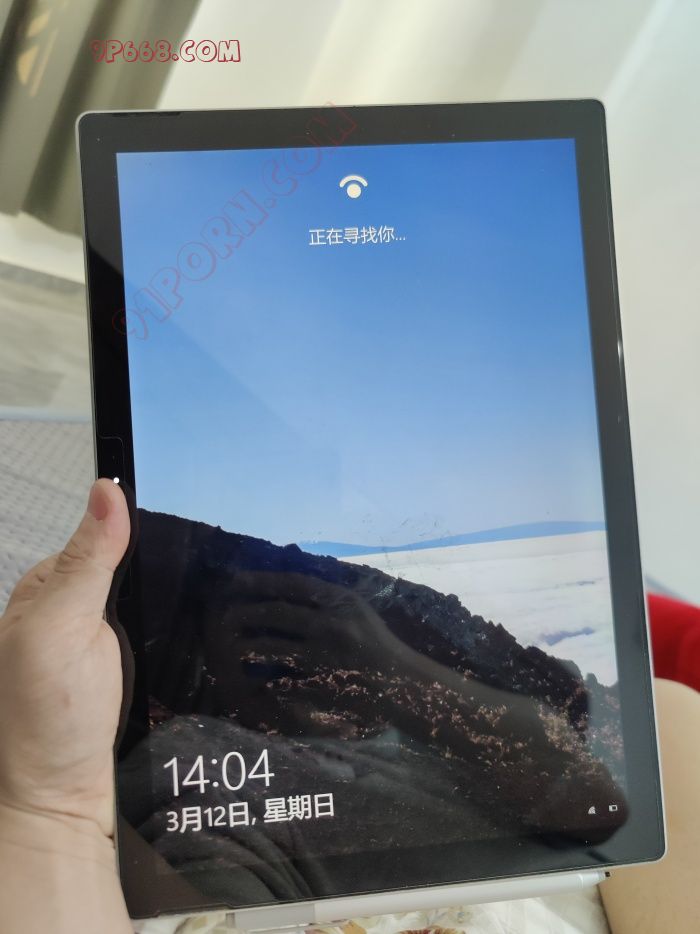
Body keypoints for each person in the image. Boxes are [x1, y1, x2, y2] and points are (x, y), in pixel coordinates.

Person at [0, 480, 697, 933]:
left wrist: (397, 672)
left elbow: (602, 801)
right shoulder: (203, 774)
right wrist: (49, 812)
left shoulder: (633, 721)